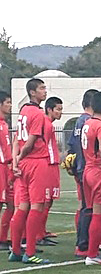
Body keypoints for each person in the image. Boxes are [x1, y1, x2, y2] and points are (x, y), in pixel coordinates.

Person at [9, 78, 50, 264]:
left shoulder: (23, 111)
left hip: (25, 164)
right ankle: (30, 252)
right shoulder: (37, 114)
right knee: (37, 206)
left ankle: (16, 250)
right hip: (36, 162)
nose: (45, 91)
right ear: (33, 92)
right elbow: (31, 141)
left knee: (23, 206)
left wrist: (16, 160)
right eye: (42, 88)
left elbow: (17, 139)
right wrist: (21, 157)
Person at [81, 92, 101, 266]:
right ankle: (92, 254)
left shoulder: (88, 123)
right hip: (99, 172)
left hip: (88, 169)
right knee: (100, 213)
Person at [68, 89, 98, 256]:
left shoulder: (79, 121)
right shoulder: (89, 122)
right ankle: (83, 244)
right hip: (90, 168)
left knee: (84, 205)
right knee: (89, 207)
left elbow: (72, 145)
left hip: (81, 168)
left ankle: (83, 241)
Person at [36, 97, 63, 246]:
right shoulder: (46, 124)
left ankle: (41, 231)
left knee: (49, 199)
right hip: (48, 164)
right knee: (45, 200)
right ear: (49, 110)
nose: (60, 112)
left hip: (52, 164)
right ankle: (38, 234)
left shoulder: (49, 124)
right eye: (58, 109)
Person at [0, 91, 13, 251]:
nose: (10, 105)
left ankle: (3, 237)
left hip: (7, 168)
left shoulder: (4, 123)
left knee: (11, 204)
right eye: (7, 102)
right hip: (2, 167)